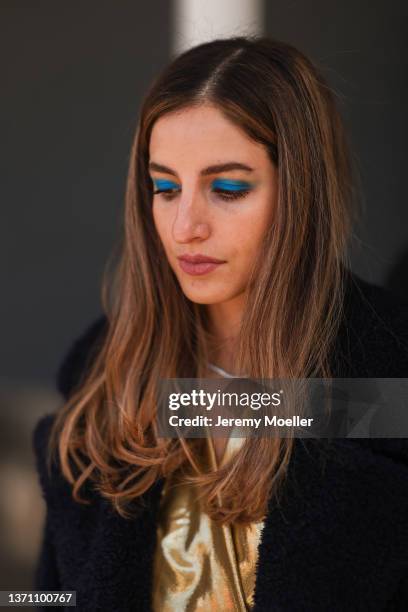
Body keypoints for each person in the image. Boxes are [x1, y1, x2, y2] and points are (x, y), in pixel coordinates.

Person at [32, 36, 408, 611]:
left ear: (301, 190)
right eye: (164, 187)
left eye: (228, 189)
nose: (185, 227)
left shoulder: (386, 369)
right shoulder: (101, 377)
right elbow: (50, 597)